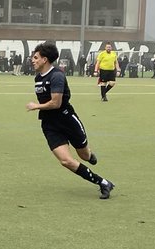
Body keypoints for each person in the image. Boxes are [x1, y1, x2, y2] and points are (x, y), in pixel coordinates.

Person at [25, 42, 115, 199]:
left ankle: (89, 154)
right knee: (66, 161)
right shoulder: (38, 78)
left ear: (44, 59)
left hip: (67, 120)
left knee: (85, 156)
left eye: (35, 57)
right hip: (49, 125)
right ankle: (103, 183)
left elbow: (56, 103)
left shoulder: (57, 76)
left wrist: (36, 106)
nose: (32, 60)